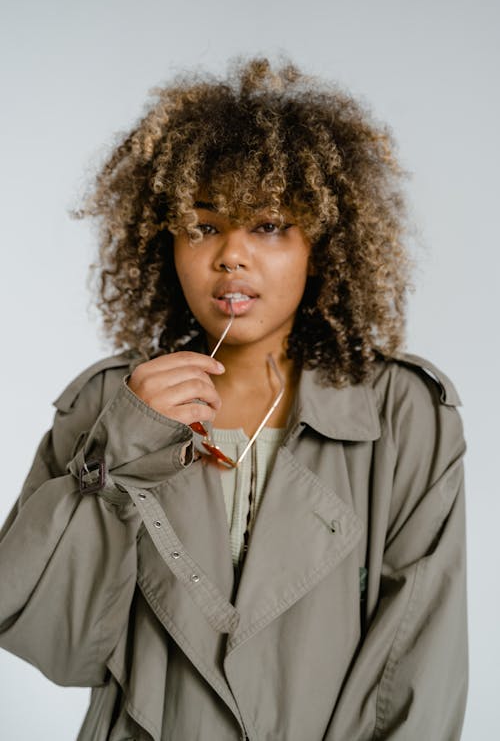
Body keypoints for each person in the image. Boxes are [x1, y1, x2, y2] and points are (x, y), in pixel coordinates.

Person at [0, 57, 467, 740]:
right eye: (204, 225)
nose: (232, 256)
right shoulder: (108, 403)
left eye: (270, 226)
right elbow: (57, 646)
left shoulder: (403, 415)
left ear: (322, 244)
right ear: (166, 243)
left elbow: (419, 666)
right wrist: (125, 445)